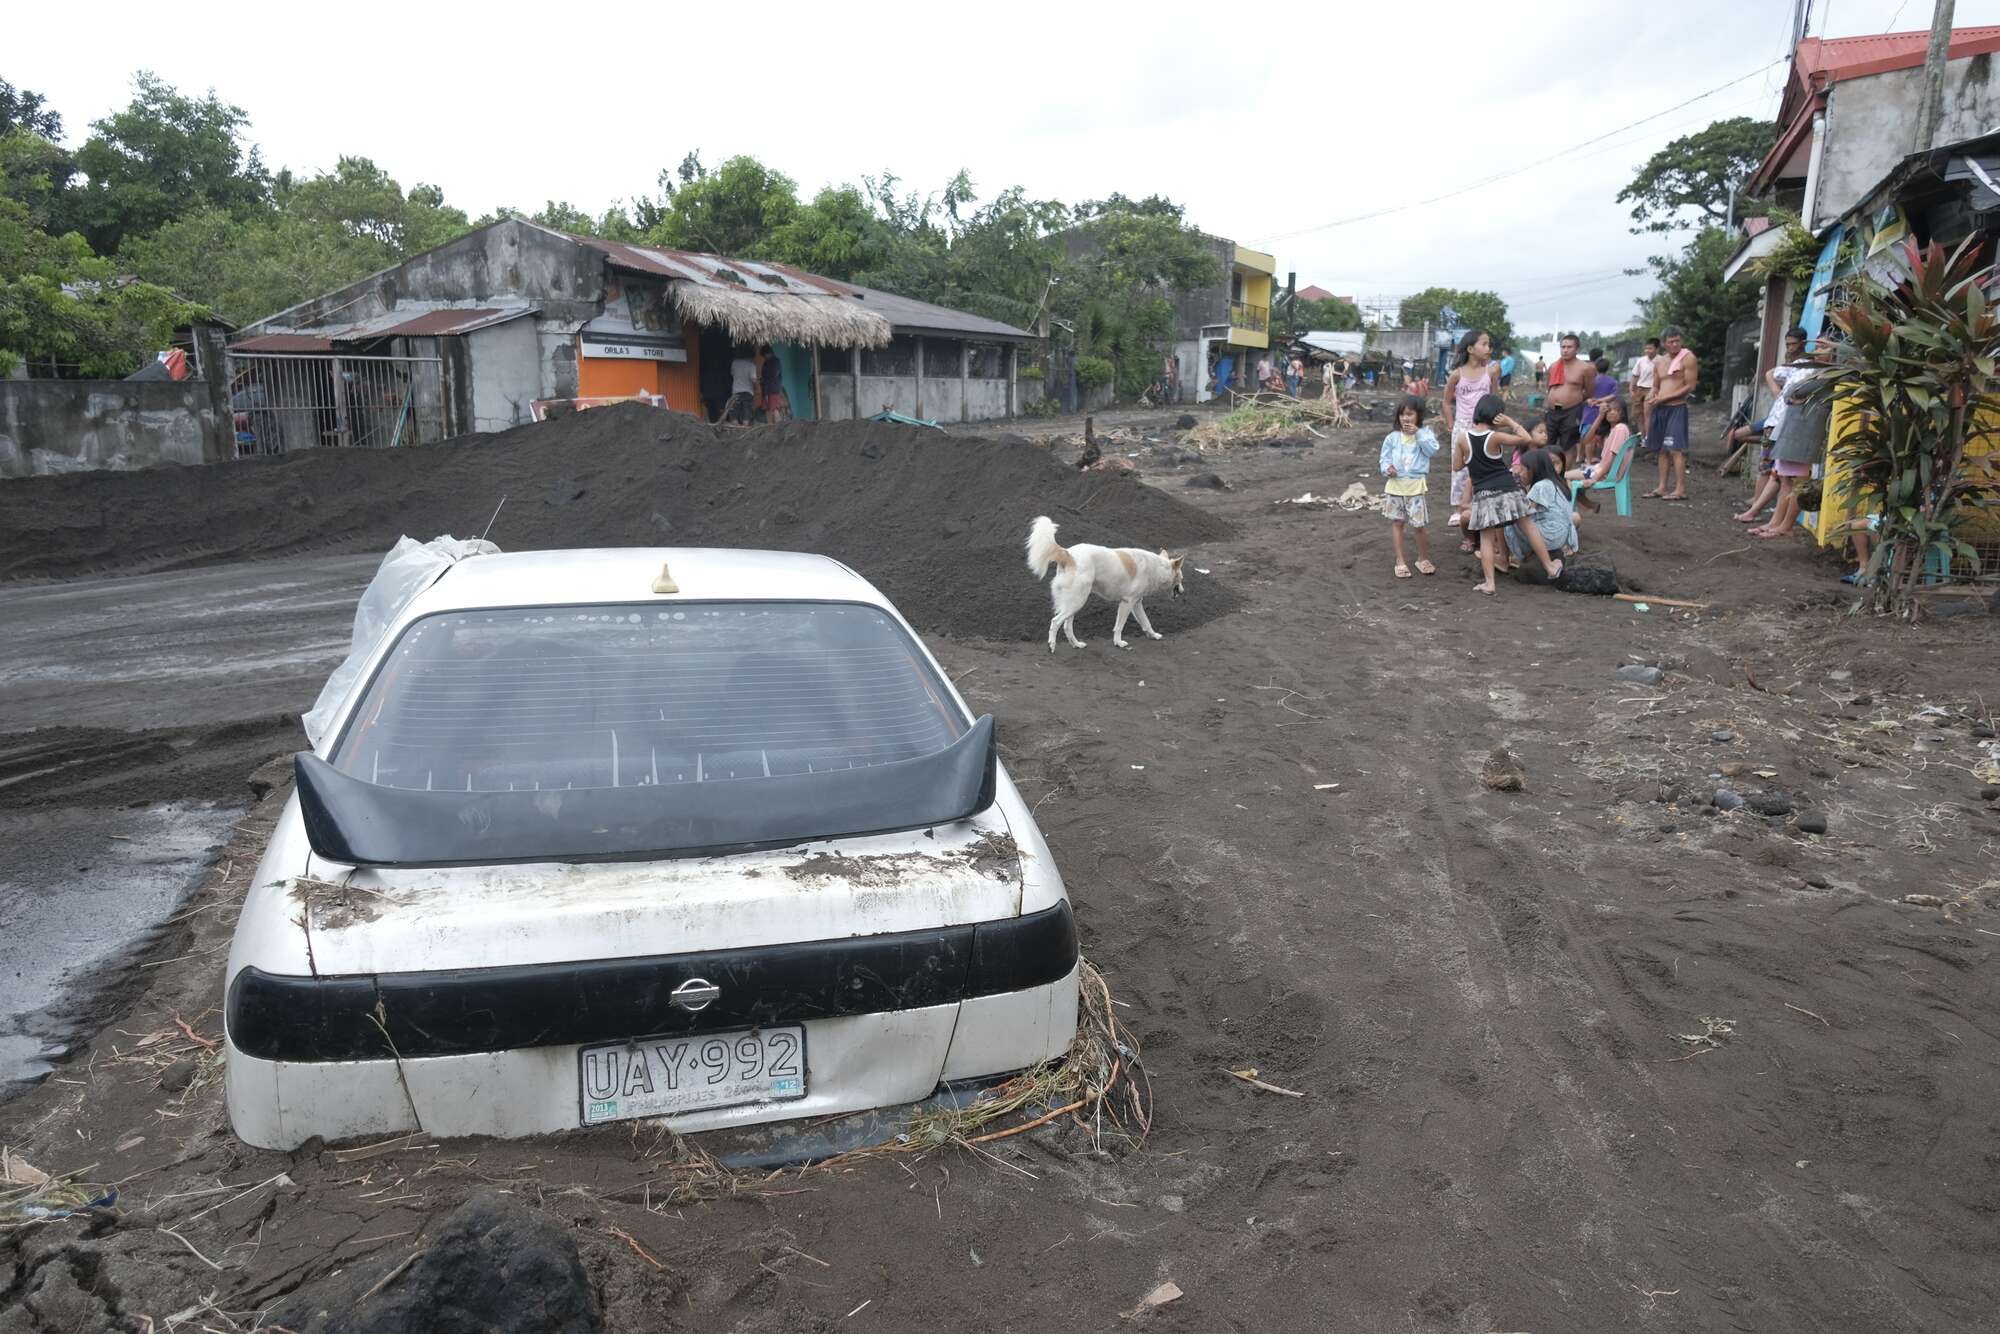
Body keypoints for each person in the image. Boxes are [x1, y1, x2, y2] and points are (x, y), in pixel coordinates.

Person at [1456, 393, 1563, 595]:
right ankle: (1550, 567)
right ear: (1497, 415)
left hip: (1483, 493)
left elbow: (1457, 465)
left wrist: (1470, 456)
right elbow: (1526, 438)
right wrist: (1510, 422)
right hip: (1507, 489)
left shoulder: (1463, 438)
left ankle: (1490, 584)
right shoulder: (1495, 436)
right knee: (1528, 525)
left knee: (1487, 539)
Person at [1733, 327, 1809, 523]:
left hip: (1787, 425)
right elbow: (1770, 373)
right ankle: (1759, 510)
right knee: (1775, 472)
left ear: (1804, 343)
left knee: (1777, 473)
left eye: (1793, 344)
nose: (1790, 348)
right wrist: (1778, 393)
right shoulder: (1795, 366)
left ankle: (1759, 510)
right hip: (1776, 422)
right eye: (1788, 344)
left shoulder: (1807, 367)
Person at [1441, 329, 1499, 549]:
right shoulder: (1457, 375)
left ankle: (1481, 514)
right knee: (1460, 471)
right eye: (1483, 344)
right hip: (1463, 427)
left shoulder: (1490, 372)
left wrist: (1495, 423)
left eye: (1488, 344)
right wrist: (1450, 424)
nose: (1488, 348)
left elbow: (1493, 399)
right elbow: (1446, 401)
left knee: (1484, 470)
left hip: (1485, 427)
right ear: (1470, 348)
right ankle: (1461, 512)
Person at [1379, 395, 1440, 579]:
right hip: (1395, 487)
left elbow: (1432, 450)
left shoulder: (1425, 434)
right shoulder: (1392, 438)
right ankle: (1400, 561)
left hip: (1415, 487)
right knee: (1397, 523)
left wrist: (1418, 433)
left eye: (1410, 414)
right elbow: (1384, 459)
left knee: (1419, 525)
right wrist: (1387, 469)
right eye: (1402, 414)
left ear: (1418, 416)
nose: (1405, 418)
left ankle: (1422, 559)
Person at [1644, 326, 1697, 500]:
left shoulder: (1688, 358)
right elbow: (1656, 385)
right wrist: (1653, 395)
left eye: (1677, 340)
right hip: (1660, 408)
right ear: (1664, 344)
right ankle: (1662, 487)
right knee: (1661, 449)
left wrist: (1664, 398)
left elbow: (1689, 386)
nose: (1675, 344)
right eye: (1671, 341)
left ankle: (1680, 489)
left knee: (1675, 449)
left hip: (1676, 407)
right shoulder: (1659, 362)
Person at [1506, 448, 1579, 565]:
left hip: (1551, 536)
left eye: (1522, 469)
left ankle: (1509, 557)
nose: (1519, 473)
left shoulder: (1541, 486)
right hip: (1562, 536)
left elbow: (1524, 510)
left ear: (1533, 470)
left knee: (1510, 520)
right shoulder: (1554, 483)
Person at [1568, 398, 1633, 512]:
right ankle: (1589, 505)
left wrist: (1594, 479)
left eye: (1616, 410)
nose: (1611, 412)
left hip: (1604, 472)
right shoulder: (1611, 429)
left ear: (1622, 414)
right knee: (1563, 476)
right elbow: (1585, 441)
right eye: (1609, 410)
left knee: (1562, 477)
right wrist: (1599, 416)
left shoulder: (1620, 429)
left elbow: (1613, 458)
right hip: (1600, 469)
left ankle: (1587, 505)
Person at [1543, 334, 1593, 461]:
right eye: (1563, 347)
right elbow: (1548, 387)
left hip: (1571, 411)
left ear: (1577, 349)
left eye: (1569, 347)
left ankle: (1564, 476)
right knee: (1547, 443)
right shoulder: (1554, 366)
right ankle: (1548, 472)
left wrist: (1573, 399)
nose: (1565, 350)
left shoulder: (1585, 368)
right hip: (1552, 411)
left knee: (1567, 445)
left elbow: (1589, 391)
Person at [1628, 337, 1658, 436]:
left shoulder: (1661, 360)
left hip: (1652, 389)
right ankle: (1643, 437)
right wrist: (1631, 389)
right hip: (1640, 389)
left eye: (1650, 348)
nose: (1647, 351)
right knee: (1638, 415)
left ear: (1657, 349)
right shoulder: (1641, 360)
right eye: (1646, 348)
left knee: (1647, 414)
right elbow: (1635, 375)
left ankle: (1649, 438)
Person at [725, 347, 757, 424]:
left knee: (734, 412)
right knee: (746, 412)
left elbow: (732, 374)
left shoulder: (734, 363)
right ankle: (745, 430)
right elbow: (754, 380)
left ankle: (735, 430)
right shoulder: (751, 365)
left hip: (736, 391)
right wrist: (756, 388)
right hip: (748, 392)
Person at [758, 345, 787, 424]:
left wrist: (765, 379)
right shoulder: (766, 362)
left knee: (774, 409)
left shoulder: (775, 361)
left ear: (768, 353)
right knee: (767, 409)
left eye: (765, 355)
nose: (764, 357)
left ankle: (779, 426)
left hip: (773, 389)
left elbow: (773, 375)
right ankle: (771, 426)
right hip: (766, 389)